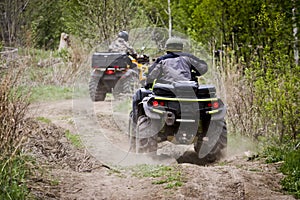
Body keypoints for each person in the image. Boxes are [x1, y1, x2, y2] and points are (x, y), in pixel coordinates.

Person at [131, 37, 208, 122]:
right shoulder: (188, 57)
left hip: (166, 94)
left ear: (167, 48)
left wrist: (147, 83)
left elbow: (151, 75)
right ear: (181, 47)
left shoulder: (162, 59)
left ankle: (135, 126)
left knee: (140, 95)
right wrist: (195, 74)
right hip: (189, 93)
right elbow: (203, 67)